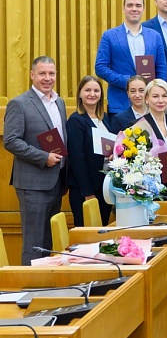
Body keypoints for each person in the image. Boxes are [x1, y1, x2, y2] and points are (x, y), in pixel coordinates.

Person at [4, 56, 67, 265]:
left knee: (48, 244)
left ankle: (45, 289)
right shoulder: (19, 103)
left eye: (51, 73)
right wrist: (43, 157)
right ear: (32, 75)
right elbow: (11, 141)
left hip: (56, 183)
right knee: (33, 244)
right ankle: (30, 290)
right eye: (42, 73)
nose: (47, 78)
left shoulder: (60, 102)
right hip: (33, 186)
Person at [95, 0, 167, 114]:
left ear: (143, 9)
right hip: (120, 103)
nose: (134, 9)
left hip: (149, 104)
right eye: (130, 5)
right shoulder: (109, 35)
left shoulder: (155, 36)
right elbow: (100, 67)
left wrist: (156, 93)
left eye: (138, 6)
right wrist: (128, 81)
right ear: (123, 9)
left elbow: (162, 68)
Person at [66, 75, 113, 226]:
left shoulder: (104, 118)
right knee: (87, 237)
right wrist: (87, 192)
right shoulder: (76, 120)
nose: (92, 94)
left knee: (102, 233)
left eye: (96, 90)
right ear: (80, 93)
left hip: (103, 188)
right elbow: (77, 159)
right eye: (87, 90)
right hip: (85, 190)